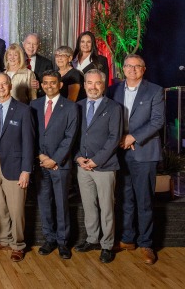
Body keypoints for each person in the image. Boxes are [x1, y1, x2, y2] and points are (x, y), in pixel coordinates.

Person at [108, 54, 164, 265]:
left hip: (144, 152)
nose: (132, 69)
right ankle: (127, 238)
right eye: (129, 66)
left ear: (144, 69)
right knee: (124, 197)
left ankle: (146, 242)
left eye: (137, 66)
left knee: (144, 199)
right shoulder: (114, 90)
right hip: (120, 152)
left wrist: (133, 137)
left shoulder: (155, 90)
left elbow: (157, 121)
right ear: (123, 68)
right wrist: (119, 139)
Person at [74, 69, 122, 264]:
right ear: (84, 85)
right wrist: (78, 158)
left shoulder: (114, 108)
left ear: (103, 85)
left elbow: (114, 138)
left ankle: (107, 245)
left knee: (106, 208)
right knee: (89, 206)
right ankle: (92, 239)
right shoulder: (77, 106)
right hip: (82, 166)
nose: (93, 87)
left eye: (97, 83)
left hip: (104, 166)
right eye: (89, 83)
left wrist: (96, 160)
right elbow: (74, 136)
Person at [30, 70, 78, 260]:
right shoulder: (34, 105)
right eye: (46, 83)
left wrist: (55, 159)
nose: (49, 86)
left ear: (60, 85)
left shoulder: (70, 107)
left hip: (60, 165)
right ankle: (49, 239)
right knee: (44, 203)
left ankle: (63, 242)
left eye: (53, 83)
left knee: (61, 203)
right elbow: (31, 134)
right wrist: (41, 157)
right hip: (40, 164)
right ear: (41, 85)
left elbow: (70, 137)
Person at [0, 73, 34, 262]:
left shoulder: (23, 110)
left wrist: (27, 170)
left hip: (16, 166)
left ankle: (18, 244)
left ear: (10, 86)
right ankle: (4, 239)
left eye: (4, 84)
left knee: (16, 209)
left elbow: (29, 143)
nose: (1, 87)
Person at [22, 33, 53, 97]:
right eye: (28, 43)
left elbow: (51, 85)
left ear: (38, 46)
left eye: (34, 44)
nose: (31, 46)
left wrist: (40, 86)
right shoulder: (16, 60)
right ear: (24, 44)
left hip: (38, 101)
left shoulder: (47, 63)